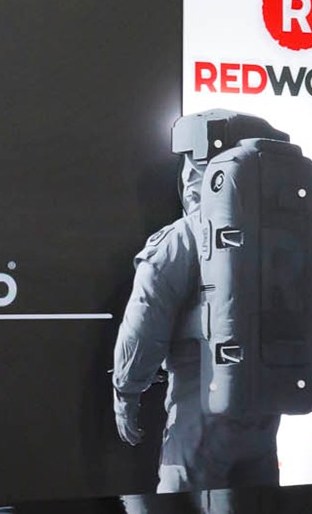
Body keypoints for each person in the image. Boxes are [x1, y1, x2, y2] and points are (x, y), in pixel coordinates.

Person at [111, 110, 286, 493]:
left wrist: (126, 391)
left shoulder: (184, 237)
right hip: (262, 419)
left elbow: (144, 322)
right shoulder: (278, 240)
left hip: (199, 410)